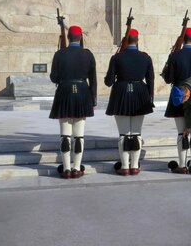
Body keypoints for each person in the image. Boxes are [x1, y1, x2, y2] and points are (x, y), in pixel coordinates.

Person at [104, 29, 155, 176]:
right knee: (137, 132)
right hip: (140, 93)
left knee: (124, 134)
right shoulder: (145, 58)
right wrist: (149, 97)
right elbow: (150, 80)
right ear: (137, 40)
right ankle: (135, 166)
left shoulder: (117, 58)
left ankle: (125, 167)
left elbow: (108, 81)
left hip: (121, 93)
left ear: (126, 41)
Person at [49, 25, 97, 179]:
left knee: (65, 135)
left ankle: (67, 169)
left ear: (68, 38)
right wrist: (93, 98)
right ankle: (77, 167)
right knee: (79, 135)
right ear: (81, 37)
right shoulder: (88, 55)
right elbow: (93, 79)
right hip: (83, 91)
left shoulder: (59, 54)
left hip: (64, 91)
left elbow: (54, 78)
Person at [161, 27, 191, 174]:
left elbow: (168, 78)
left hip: (179, 95)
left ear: (183, 40)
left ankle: (182, 165)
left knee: (181, 133)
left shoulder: (175, 56)